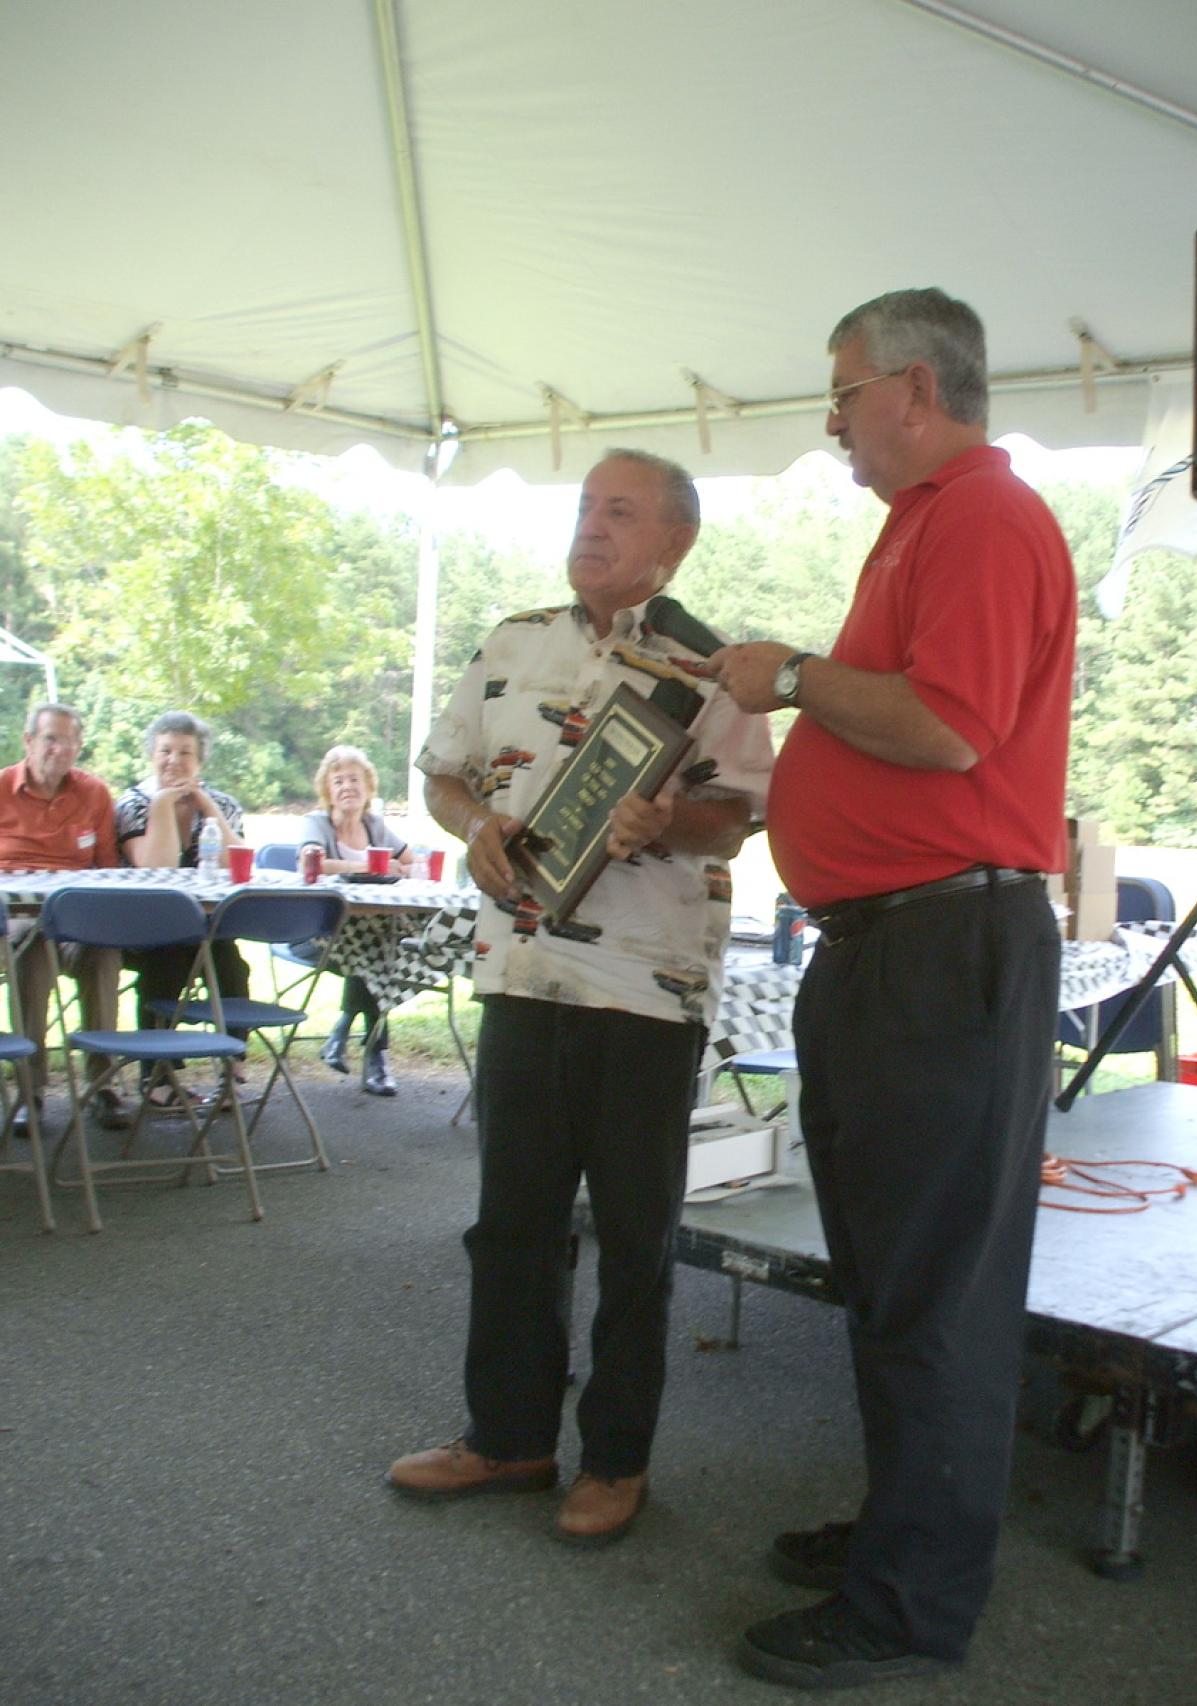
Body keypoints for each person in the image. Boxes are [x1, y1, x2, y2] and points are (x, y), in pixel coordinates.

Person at [713, 289, 1076, 1689]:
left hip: (940, 947)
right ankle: (898, 1533)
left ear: (914, 390)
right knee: (886, 1273)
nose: (832, 422)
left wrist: (795, 676)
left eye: (844, 393)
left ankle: (911, 1601)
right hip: (892, 947)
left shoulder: (982, 515)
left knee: (933, 1290)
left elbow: (945, 725)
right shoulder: (929, 522)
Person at [386, 449, 773, 1545]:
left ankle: (615, 1459)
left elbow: (741, 819)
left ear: (674, 543)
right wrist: (474, 825)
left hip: (645, 990)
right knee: (510, 1223)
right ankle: (506, 1435)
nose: (591, 527)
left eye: (620, 511)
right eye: (585, 507)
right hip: (520, 971)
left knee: (635, 1239)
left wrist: (671, 821)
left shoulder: (718, 669)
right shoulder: (513, 641)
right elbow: (444, 774)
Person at [0, 703, 128, 1133]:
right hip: (14, 923)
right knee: (34, 950)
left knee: (104, 951)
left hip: (74, 921)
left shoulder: (93, 793)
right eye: (50, 739)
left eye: (70, 741)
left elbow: (108, 869)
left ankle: (102, 1086)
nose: (60, 749)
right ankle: (30, 1091)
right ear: (29, 741)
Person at [114, 711, 251, 1104]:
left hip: (208, 927)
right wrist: (163, 805)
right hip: (144, 928)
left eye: (185, 752)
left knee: (231, 966)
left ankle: (231, 1066)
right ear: (151, 755)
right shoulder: (133, 803)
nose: (174, 760)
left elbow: (238, 863)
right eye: (165, 751)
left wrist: (206, 806)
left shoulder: (222, 804)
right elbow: (155, 869)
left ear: (200, 759)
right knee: (166, 962)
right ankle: (157, 1076)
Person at [298, 744, 408, 1097]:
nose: (347, 786)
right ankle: (376, 1056)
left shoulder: (375, 826)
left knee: (388, 949)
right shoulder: (316, 823)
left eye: (354, 779)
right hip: (316, 933)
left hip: (371, 936)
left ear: (369, 787)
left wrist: (402, 867)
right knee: (381, 953)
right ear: (327, 790)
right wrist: (369, 867)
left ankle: (342, 1030)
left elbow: (411, 862)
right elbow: (310, 864)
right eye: (339, 780)